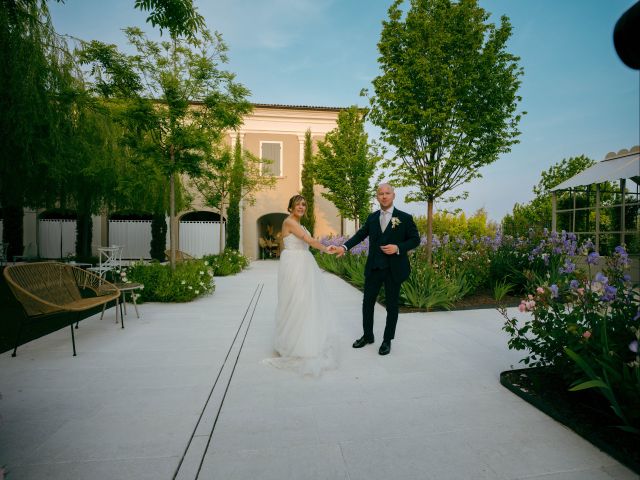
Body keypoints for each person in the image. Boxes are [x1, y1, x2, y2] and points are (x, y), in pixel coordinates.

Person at [329, 183, 420, 355]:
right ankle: (368, 335)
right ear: (377, 197)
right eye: (381, 194)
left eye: (387, 193)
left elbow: (415, 239)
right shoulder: (372, 217)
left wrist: (398, 247)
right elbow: (359, 235)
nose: (384, 196)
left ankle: (387, 340)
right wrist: (344, 248)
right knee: (367, 303)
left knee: (392, 306)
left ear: (394, 195)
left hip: (394, 269)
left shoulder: (405, 218)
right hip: (374, 268)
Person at [263, 194, 338, 375]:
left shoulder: (299, 223)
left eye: (304, 204)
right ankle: (293, 344)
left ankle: (303, 338)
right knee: (296, 302)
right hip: (295, 265)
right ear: (290, 207)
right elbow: (309, 240)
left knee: (305, 303)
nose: (302, 207)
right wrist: (327, 249)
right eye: (298, 204)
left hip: (302, 263)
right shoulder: (290, 222)